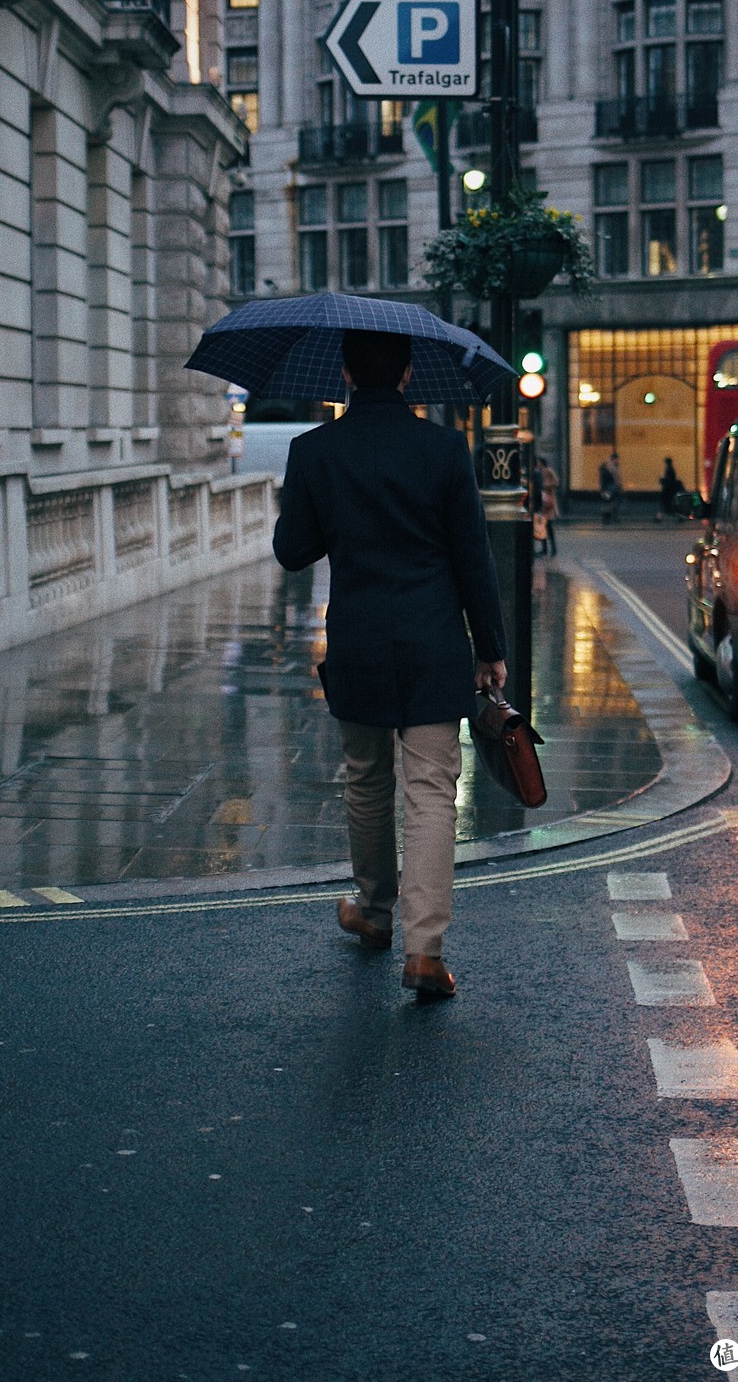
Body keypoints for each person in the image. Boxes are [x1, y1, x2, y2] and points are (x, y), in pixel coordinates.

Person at [273, 329, 507, 1000]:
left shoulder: (313, 450)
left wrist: (321, 509)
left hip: (358, 644)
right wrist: (489, 647)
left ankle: (373, 914)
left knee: (367, 781)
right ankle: (425, 952)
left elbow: (292, 551)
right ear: (407, 376)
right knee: (431, 793)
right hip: (434, 643)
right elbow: (472, 558)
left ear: (345, 372)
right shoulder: (441, 449)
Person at [534, 455, 559, 556]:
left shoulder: (548, 471)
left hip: (548, 501)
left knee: (548, 526)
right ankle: (544, 549)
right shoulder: (538, 472)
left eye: (539, 462)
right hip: (542, 501)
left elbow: (556, 482)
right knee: (542, 526)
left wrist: (546, 486)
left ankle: (553, 549)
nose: (538, 464)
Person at [598, 451, 623, 523]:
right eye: (616, 459)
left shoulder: (615, 466)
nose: (617, 461)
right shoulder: (607, 467)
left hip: (613, 488)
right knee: (607, 503)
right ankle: (607, 519)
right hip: (608, 488)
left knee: (611, 502)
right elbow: (604, 479)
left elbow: (617, 479)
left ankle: (611, 518)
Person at [655, 456, 680, 522]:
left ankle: (659, 518)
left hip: (668, 491)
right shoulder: (671, 469)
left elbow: (669, 480)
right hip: (670, 491)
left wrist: (662, 480)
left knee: (664, 505)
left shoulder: (669, 469)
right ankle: (678, 517)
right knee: (668, 506)